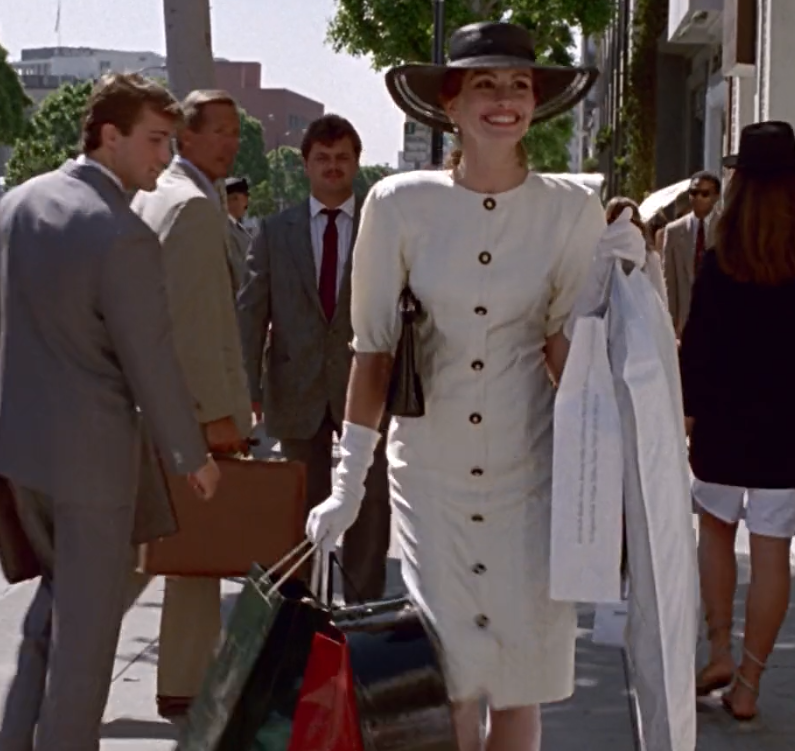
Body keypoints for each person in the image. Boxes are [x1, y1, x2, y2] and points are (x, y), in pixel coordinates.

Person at [302, 21, 621, 750]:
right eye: (485, 84)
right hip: (432, 476)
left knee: (519, 678)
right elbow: (374, 351)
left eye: (519, 85)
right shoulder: (397, 204)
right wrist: (348, 485)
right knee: (447, 680)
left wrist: (611, 463)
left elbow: (565, 350)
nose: (504, 100)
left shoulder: (570, 207)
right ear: (450, 103)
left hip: (529, 474)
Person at [0, 73, 219, 751]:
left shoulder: (16, 204)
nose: (165, 157)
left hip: (16, 446)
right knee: (84, 642)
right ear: (109, 136)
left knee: (51, 616)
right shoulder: (122, 232)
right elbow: (151, 357)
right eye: (155, 140)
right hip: (92, 461)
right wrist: (191, 454)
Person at [681, 121, 795, 721]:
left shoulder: (722, 257)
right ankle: (749, 684)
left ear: (739, 184)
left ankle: (717, 649)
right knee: (772, 553)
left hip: (724, 425)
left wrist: (688, 413)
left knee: (715, 531)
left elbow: (698, 347)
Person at [129, 88, 252, 719]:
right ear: (187, 135)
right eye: (220, 130)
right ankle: (183, 682)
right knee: (183, 550)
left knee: (172, 549)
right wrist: (218, 414)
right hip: (187, 410)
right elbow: (199, 325)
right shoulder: (195, 208)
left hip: (151, 401)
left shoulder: (156, 195)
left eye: (235, 131)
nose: (232, 142)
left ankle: (185, 681)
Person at [238, 114, 391, 601]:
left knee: (370, 502)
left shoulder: (382, 228)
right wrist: (247, 391)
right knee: (300, 505)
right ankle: (302, 610)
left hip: (366, 388)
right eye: (322, 158)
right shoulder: (274, 231)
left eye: (342, 157)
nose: (332, 166)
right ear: (305, 164)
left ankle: (363, 609)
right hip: (295, 386)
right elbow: (250, 314)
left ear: (356, 163)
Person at [662, 170, 721, 335]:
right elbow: (669, 280)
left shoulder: (728, 229)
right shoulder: (673, 231)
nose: (698, 198)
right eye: (693, 193)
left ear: (716, 197)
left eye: (704, 194)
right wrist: (671, 323)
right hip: (686, 321)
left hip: (719, 318)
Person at [225, 175, 254, 289]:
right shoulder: (226, 229)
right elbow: (239, 273)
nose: (246, 204)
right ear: (234, 199)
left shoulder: (237, 227)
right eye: (245, 198)